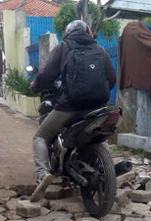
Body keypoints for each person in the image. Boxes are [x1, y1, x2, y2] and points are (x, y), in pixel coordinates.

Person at [29, 20, 116, 202]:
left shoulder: (63, 47)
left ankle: (42, 175)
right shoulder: (100, 50)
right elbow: (112, 78)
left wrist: (35, 86)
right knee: (100, 137)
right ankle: (108, 170)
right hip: (98, 107)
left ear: (67, 33)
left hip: (70, 107)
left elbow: (46, 75)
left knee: (40, 137)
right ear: (89, 33)